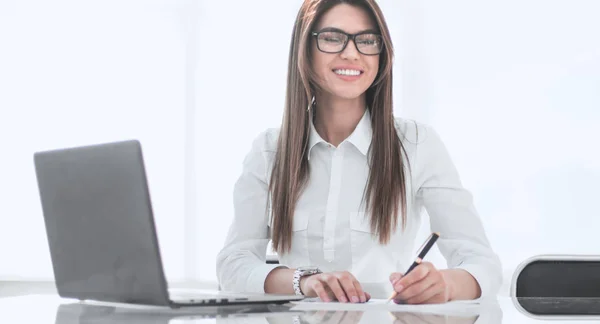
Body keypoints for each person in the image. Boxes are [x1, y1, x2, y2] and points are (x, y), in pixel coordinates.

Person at [216, 0, 502, 304]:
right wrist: (306, 281)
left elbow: (482, 263)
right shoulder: (269, 151)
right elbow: (233, 266)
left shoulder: (417, 144)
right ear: (305, 49)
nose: (351, 53)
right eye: (332, 38)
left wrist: (445, 285)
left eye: (366, 40)